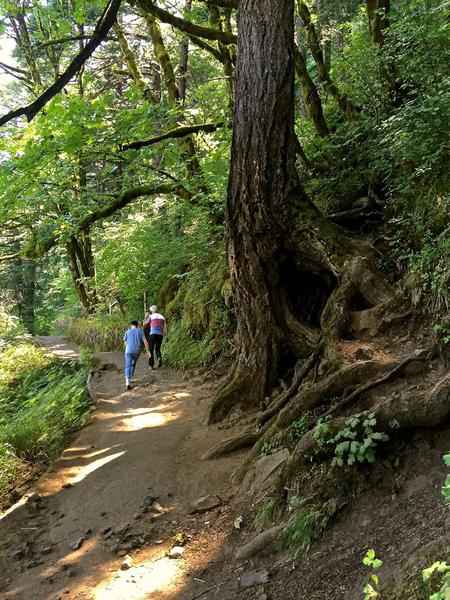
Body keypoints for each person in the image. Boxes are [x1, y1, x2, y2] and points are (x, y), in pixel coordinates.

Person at [123, 320, 150, 390]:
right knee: (133, 363)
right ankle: (130, 377)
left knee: (128, 365)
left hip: (128, 351)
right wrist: (148, 352)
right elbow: (145, 342)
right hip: (137, 351)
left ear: (131, 325)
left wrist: (128, 348)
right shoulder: (140, 331)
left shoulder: (127, 332)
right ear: (137, 325)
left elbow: (125, 344)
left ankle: (127, 382)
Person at [143, 305, 167, 370]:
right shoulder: (162, 317)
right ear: (157, 310)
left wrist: (145, 317)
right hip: (160, 335)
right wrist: (165, 334)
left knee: (151, 349)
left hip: (152, 334)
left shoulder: (151, 316)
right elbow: (165, 328)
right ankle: (159, 358)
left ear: (151, 311)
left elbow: (144, 324)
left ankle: (151, 365)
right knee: (157, 349)